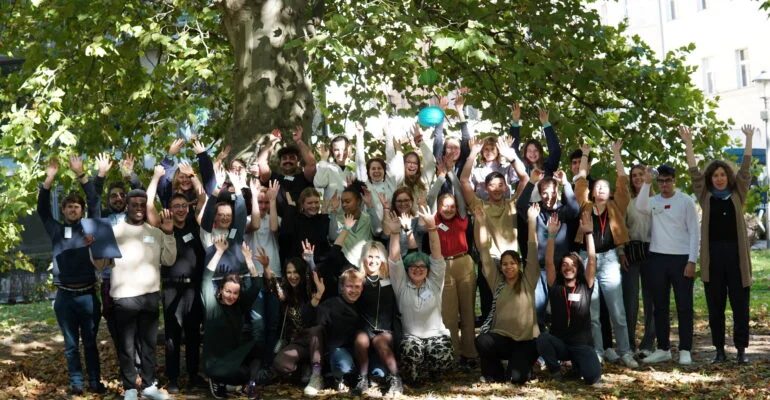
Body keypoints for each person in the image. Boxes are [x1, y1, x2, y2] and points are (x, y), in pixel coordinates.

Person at [682, 125, 755, 364]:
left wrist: (749, 139)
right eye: (715, 175)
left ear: (728, 177)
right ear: (710, 178)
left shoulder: (738, 194)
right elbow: (693, 170)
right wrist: (688, 143)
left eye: (723, 175)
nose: (720, 178)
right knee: (716, 308)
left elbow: (745, 171)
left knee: (740, 306)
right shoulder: (705, 195)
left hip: (736, 259)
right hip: (713, 259)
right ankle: (720, 351)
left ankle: (741, 351)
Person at [38, 158, 105, 395]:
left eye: (77, 206)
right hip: (64, 297)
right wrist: (49, 180)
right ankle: (77, 383)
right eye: (69, 206)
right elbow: (42, 210)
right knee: (70, 346)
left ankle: (95, 382)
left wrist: (81, 175)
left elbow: (95, 202)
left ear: (81, 211)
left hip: (87, 295)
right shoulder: (55, 229)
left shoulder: (89, 228)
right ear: (64, 210)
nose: (73, 209)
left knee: (89, 343)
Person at [574, 142, 638, 368]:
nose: (600, 189)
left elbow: (623, 184)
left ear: (609, 192)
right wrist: (584, 154)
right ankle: (598, 352)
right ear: (592, 191)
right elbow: (580, 181)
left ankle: (625, 352)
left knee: (617, 312)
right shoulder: (586, 206)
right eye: (597, 186)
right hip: (587, 259)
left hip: (610, 261)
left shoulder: (615, 206)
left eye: (605, 187)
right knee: (592, 314)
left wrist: (617, 154)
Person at [110, 189, 177, 400]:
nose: (139, 208)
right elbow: (100, 263)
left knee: (148, 346)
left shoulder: (156, 232)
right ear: (127, 206)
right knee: (127, 347)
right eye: (135, 204)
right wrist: (93, 247)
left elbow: (169, 260)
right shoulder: (114, 232)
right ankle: (130, 388)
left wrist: (169, 233)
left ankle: (148, 386)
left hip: (150, 295)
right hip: (124, 296)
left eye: (142, 204)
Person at [146, 166, 206, 393]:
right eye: (176, 206)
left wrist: (193, 176)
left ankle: (192, 375)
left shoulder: (195, 224)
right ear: (169, 209)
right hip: (172, 288)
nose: (180, 209)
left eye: (183, 206)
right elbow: (149, 204)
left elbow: (202, 196)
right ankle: (172, 378)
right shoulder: (163, 226)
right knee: (172, 336)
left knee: (193, 334)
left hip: (193, 288)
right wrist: (155, 177)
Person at [636, 163, 699, 365]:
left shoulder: (685, 201)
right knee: (660, 307)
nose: (664, 184)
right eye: (661, 181)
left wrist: (692, 260)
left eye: (668, 180)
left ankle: (685, 349)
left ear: (674, 180)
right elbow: (639, 207)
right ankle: (663, 348)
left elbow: (694, 233)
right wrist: (646, 184)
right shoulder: (652, 201)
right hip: (657, 258)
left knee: (684, 306)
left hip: (681, 259)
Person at [473, 203, 541, 384]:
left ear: (518, 265)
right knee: (483, 341)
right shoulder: (498, 283)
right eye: (504, 264)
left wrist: (532, 222)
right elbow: (485, 254)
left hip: (525, 341)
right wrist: (481, 223)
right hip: (502, 339)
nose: (508, 267)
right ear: (501, 268)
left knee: (516, 379)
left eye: (512, 263)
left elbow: (532, 250)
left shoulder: (528, 281)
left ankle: (522, 367)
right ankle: (494, 373)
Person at [386, 205, 454, 385]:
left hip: (436, 335)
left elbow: (437, 255)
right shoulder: (401, 285)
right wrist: (394, 233)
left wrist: (432, 228)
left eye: (422, 266)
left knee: (443, 356)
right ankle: (414, 374)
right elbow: (394, 260)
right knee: (410, 351)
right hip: (411, 337)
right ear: (407, 270)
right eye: (413, 267)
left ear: (427, 270)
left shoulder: (434, 283)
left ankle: (433, 370)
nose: (417, 270)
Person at [537, 212, 602, 384]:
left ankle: (577, 367)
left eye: (573, 264)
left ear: (578, 268)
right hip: (560, 343)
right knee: (542, 338)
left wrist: (588, 233)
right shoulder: (555, 285)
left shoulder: (585, 285)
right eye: (565, 264)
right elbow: (549, 262)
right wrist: (551, 235)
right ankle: (555, 370)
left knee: (593, 377)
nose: (568, 268)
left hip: (582, 344)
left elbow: (592, 261)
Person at [516, 169, 580, 328]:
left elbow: (574, 208)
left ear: (557, 192)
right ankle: (540, 343)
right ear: (540, 194)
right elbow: (521, 205)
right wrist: (531, 182)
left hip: (560, 269)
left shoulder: (562, 211)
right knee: (538, 311)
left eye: (552, 192)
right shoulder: (536, 210)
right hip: (540, 269)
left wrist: (565, 183)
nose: (549, 196)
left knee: (563, 308)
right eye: (544, 193)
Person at [202, 237, 264, 400]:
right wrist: (219, 252)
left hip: (233, 358)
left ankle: (249, 386)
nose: (231, 296)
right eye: (228, 291)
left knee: (257, 349)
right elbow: (206, 278)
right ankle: (216, 380)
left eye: (235, 293)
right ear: (221, 290)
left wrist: (249, 260)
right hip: (215, 363)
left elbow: (257, 285)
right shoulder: (212, 306)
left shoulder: (239, 305)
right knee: (237, 372)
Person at [268, 241, 326, 396]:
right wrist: (266, 267)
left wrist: (310, 261)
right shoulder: (286, 293)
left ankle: (316, 375)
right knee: (279, 363)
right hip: (298, 342)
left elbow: (315, 279)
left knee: (315, 330)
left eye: (295, 272)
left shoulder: (309, 288)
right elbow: (273, 285)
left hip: (316, 338)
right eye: (288, 272)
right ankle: (303, 369)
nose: (292, 276)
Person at [351, 241, 403, 396]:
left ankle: (396, 380)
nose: (373, 261)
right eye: (370, 256)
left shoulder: (391, 279)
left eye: (377, 257)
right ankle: (363, 379)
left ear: (383, 259)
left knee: (380, 342)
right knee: (361, 340)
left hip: (385, 329)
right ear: (364, 259)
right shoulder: (358, 281)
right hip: (364, 328)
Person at [434, 190, 477, 368]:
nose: (449, 209)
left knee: (467, 311)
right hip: (443, 266)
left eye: (452, 206)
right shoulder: (435, 220)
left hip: (464, 262)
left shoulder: (461, 219)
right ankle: (453, 355)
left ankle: (470, 353)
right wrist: (442, 176)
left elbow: (460, 194)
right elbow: (430, 199)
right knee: (449, 314)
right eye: (445, 206)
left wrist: (451, 173)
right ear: (438, 207)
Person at [314, 268, 366, 393]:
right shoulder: (330, 305)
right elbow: (316, 326)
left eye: (357, 286)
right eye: (349, 286)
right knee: (342, 366)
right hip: (340, 350)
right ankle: (341, 377)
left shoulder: (364, 304)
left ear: (362, 288)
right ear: (342, 286)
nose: (353, 290)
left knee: (379, 373)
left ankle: (357, 375)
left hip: (361, 350)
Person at [624, 164, 656, 356]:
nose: (637, 178)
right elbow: (621, 228)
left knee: (651, 299)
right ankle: (628, 342)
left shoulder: (657, 200)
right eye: (634, 175)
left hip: (653, 252)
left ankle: (647, 344)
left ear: (647, 176)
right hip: (632, 253)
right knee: (631, 299)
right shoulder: (628, 201)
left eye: (640, 174)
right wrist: (621, 252)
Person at [509, 104, 561, 177]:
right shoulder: (520, 165)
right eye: (529, 150)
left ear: (540, 152)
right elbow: (512, 149)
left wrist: (546, 124)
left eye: (536, 150)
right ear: (525, 152)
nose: (532, 153)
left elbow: (555, 150)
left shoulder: (548, 165)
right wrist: (515, 121)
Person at [313, 135, 354, 205]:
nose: (341, 153)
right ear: (331, 151)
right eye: (336, 150)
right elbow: (319, 184)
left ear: (349, 149)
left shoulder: (354, 168)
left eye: (344, 149)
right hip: (331, 213)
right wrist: (323, 159)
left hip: (351, 213)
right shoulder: (325, 166)